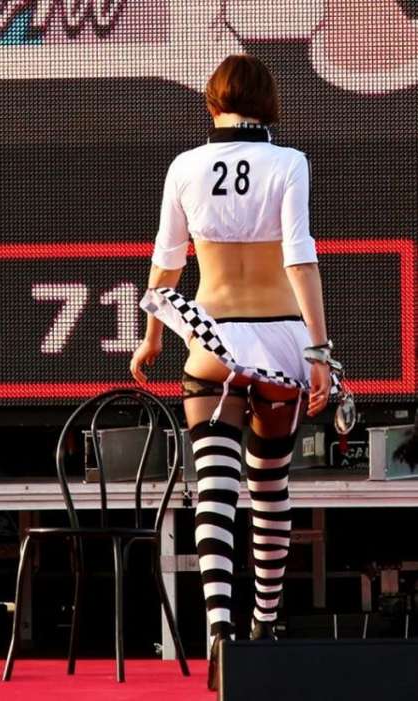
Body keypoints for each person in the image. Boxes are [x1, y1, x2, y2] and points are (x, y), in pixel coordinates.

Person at [130, 53, 348, 691]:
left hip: (214, 338)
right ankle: (265, 626)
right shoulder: (289, 163)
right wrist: (319, 352)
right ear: (269, 104)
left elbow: (167, 262)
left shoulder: (185, 166)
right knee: (270, 486)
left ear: (212, 101)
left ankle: (219, 633)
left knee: (214, 488)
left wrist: (151, 338)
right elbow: (300, 259)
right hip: (279, 338)